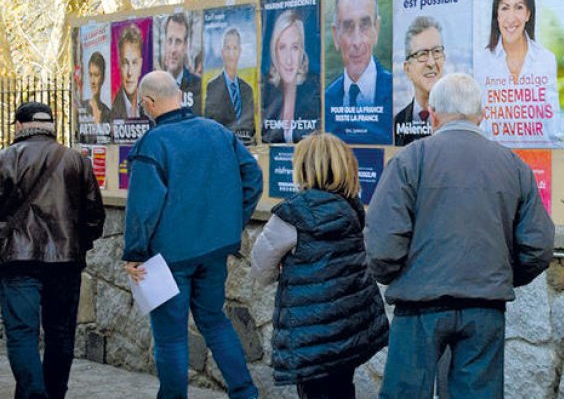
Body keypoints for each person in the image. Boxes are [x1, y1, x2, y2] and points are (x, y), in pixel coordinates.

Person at [366, 73, 555, 398]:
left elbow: (382, 245)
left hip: (418, 306)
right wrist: (499, 277)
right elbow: (538, 246)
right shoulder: (514, 166)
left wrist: (394, 274)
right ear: (481, 116)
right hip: (484, 308)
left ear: (433, 115)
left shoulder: (410, 160)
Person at [123, 71, 263, 399]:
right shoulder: (218, 132)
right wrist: (233, 222)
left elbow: (142, 207)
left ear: (149, 103)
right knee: (214, 320)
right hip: (214, 252)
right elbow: (253, 178)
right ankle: (245, 393)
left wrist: (134, 253)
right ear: (179, 96)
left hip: (167, 259)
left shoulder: (152, 144)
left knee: (170, 338)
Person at [251, 133, 389, 398]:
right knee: (342, 388)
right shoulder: (352, 209)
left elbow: (260, 269)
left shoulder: (292, 215)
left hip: (311, 336)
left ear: (304, 167)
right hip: (349, 329)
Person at [0, 101, 105, 399]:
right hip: (66, 261)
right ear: (51, 126)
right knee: (60, 334)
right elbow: (95, 215)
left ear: (20, 125)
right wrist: (76, 245)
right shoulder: (76, 160)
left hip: (17, 261)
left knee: (22, 334)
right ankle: (54, 393)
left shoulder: (5, 159)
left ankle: (34, 394)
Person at [474, 0, 561, 146]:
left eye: (519, 7)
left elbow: (553, 128)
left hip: (538, 160)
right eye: (505, 8)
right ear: (497, 14)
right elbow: (478, 126)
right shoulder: (481, 62)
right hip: (495, 160)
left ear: (528, 13)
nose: (511, 18)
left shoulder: (546, 60)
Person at [325, 0, 393, 144]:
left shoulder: (395, 93)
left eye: (365, 25)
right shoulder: (326, 100)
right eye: (348, 27)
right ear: (335, 35)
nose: (357, 41)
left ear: (376, 29)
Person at [262, 9, 320, 144]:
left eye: (295, 47)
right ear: (274, 51)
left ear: (302, 52)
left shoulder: (315, 98)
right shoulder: (265, 97)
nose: (289, 60)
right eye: (282, 47)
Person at [394, 16, 445, 146]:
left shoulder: (456, 119)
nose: (431, 63)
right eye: (422, 54)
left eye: (437, 52)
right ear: (407, 68)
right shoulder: (396, 122)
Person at [204, 27, 257, 142]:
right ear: (222, 52)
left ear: (240, 51)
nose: (231, 54)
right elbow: (210, 125)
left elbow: (251, 127)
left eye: (235, 48)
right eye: (228, 48)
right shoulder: (212, 87)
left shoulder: (247, 90)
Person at [161, 13, 201, 109]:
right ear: (165, 43)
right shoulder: (154, 87)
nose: (173, 50)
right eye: (170, 41)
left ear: (185, 46)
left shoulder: (198, 86)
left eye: (178, 42)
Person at [111, 23, 145, 120]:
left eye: (134, 63)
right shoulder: (112, 112)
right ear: (119, 64)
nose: (130, 72)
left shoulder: (148, 106)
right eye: (125, 63)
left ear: (140, 65)